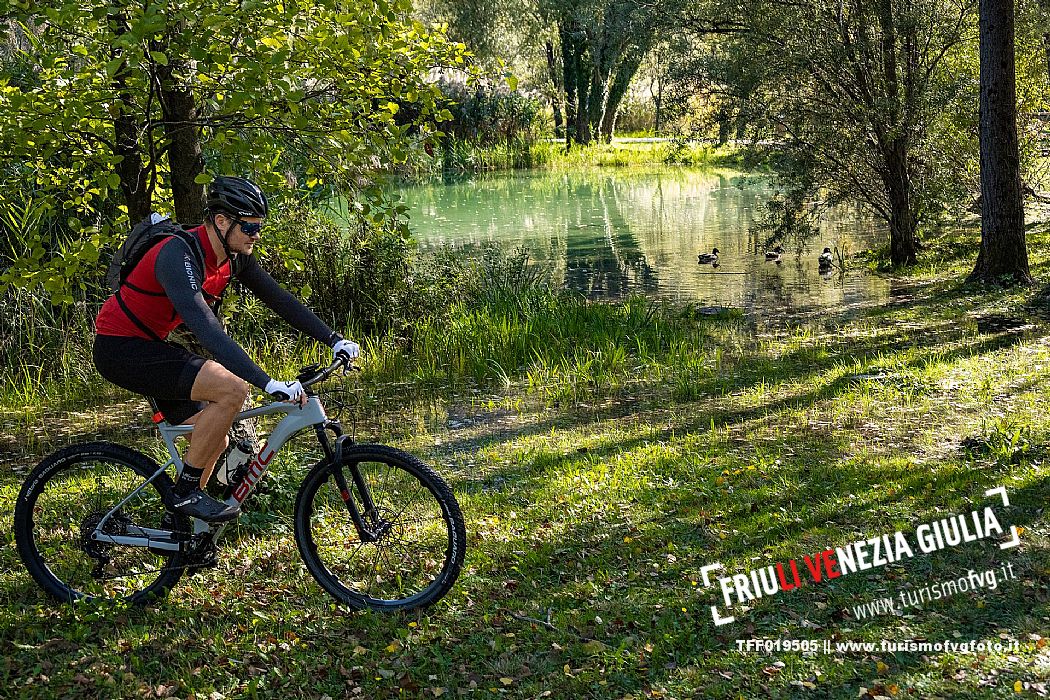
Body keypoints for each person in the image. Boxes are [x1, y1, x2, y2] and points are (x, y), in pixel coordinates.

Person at [93, 176, 360, 522]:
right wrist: (267, 383)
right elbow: (207, 329)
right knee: (232, 389)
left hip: (150, 346)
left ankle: (180, 528)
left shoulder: (234, 258)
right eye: (249, 226)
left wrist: (334, 339)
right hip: (120, 348)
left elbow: (280, 300)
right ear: (222, 221)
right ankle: (186, 493)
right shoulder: (177, 253)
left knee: (213, 440)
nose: (255, 234)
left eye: (259, 226)